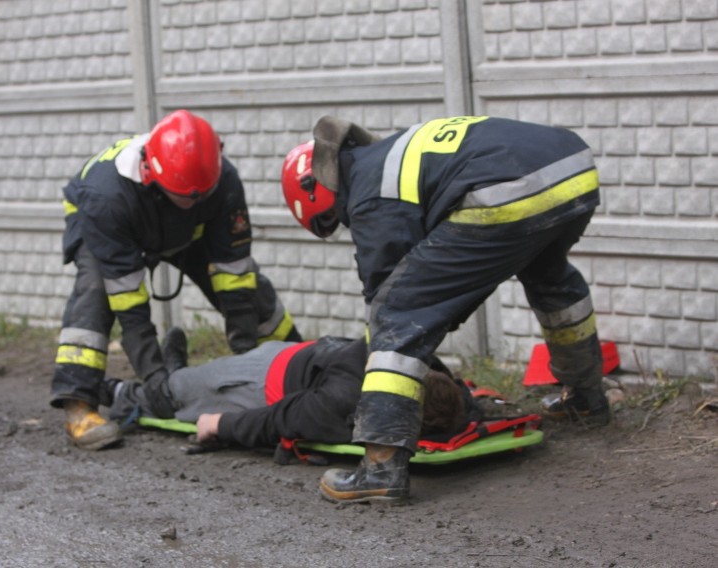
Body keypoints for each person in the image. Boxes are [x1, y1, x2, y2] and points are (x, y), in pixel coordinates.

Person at [280, 115, 609, 503]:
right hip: (573, 172)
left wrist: (381, 360)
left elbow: (390, 297)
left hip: (504, 191)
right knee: (552, 280)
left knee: (395, 315)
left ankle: (382, 466)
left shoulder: (369, 191)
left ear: (314, 189)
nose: (344, 224)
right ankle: (587, 399)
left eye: (331, 219)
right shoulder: (385, 157)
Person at [51, 109, 301, 451]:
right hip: (106, 220)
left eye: (199, 197)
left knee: (254, 291)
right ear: (149, 171)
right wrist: (153, 377)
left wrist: (247, 354)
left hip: (182, 228)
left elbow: (234, 272)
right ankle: (78, 405)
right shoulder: (106, 197)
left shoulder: (221, 181)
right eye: (185, 197)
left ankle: (297, 367)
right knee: (95, 292)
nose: (191, 204)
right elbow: (128, 301)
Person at [106, 327, 479, 463]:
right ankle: (109, 389)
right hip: (257, 379)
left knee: (186, 384)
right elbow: (280, 419)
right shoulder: (340, 401)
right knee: (165, 398)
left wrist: (222, 423)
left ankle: (173, 368)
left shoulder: (418, 359)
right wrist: (218, 423)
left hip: (293, 358)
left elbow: (277, 418)